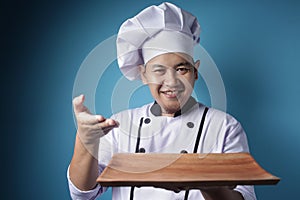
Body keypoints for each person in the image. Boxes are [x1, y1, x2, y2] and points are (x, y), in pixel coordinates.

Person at [67, 2, 257, 200]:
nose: (171, 82)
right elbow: (82, 194)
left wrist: (209, 186)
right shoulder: (119, 126)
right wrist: (85, 142)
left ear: (195, 72)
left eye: (182, 69)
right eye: (158, 70)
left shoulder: (225, 127)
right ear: (143, 74)